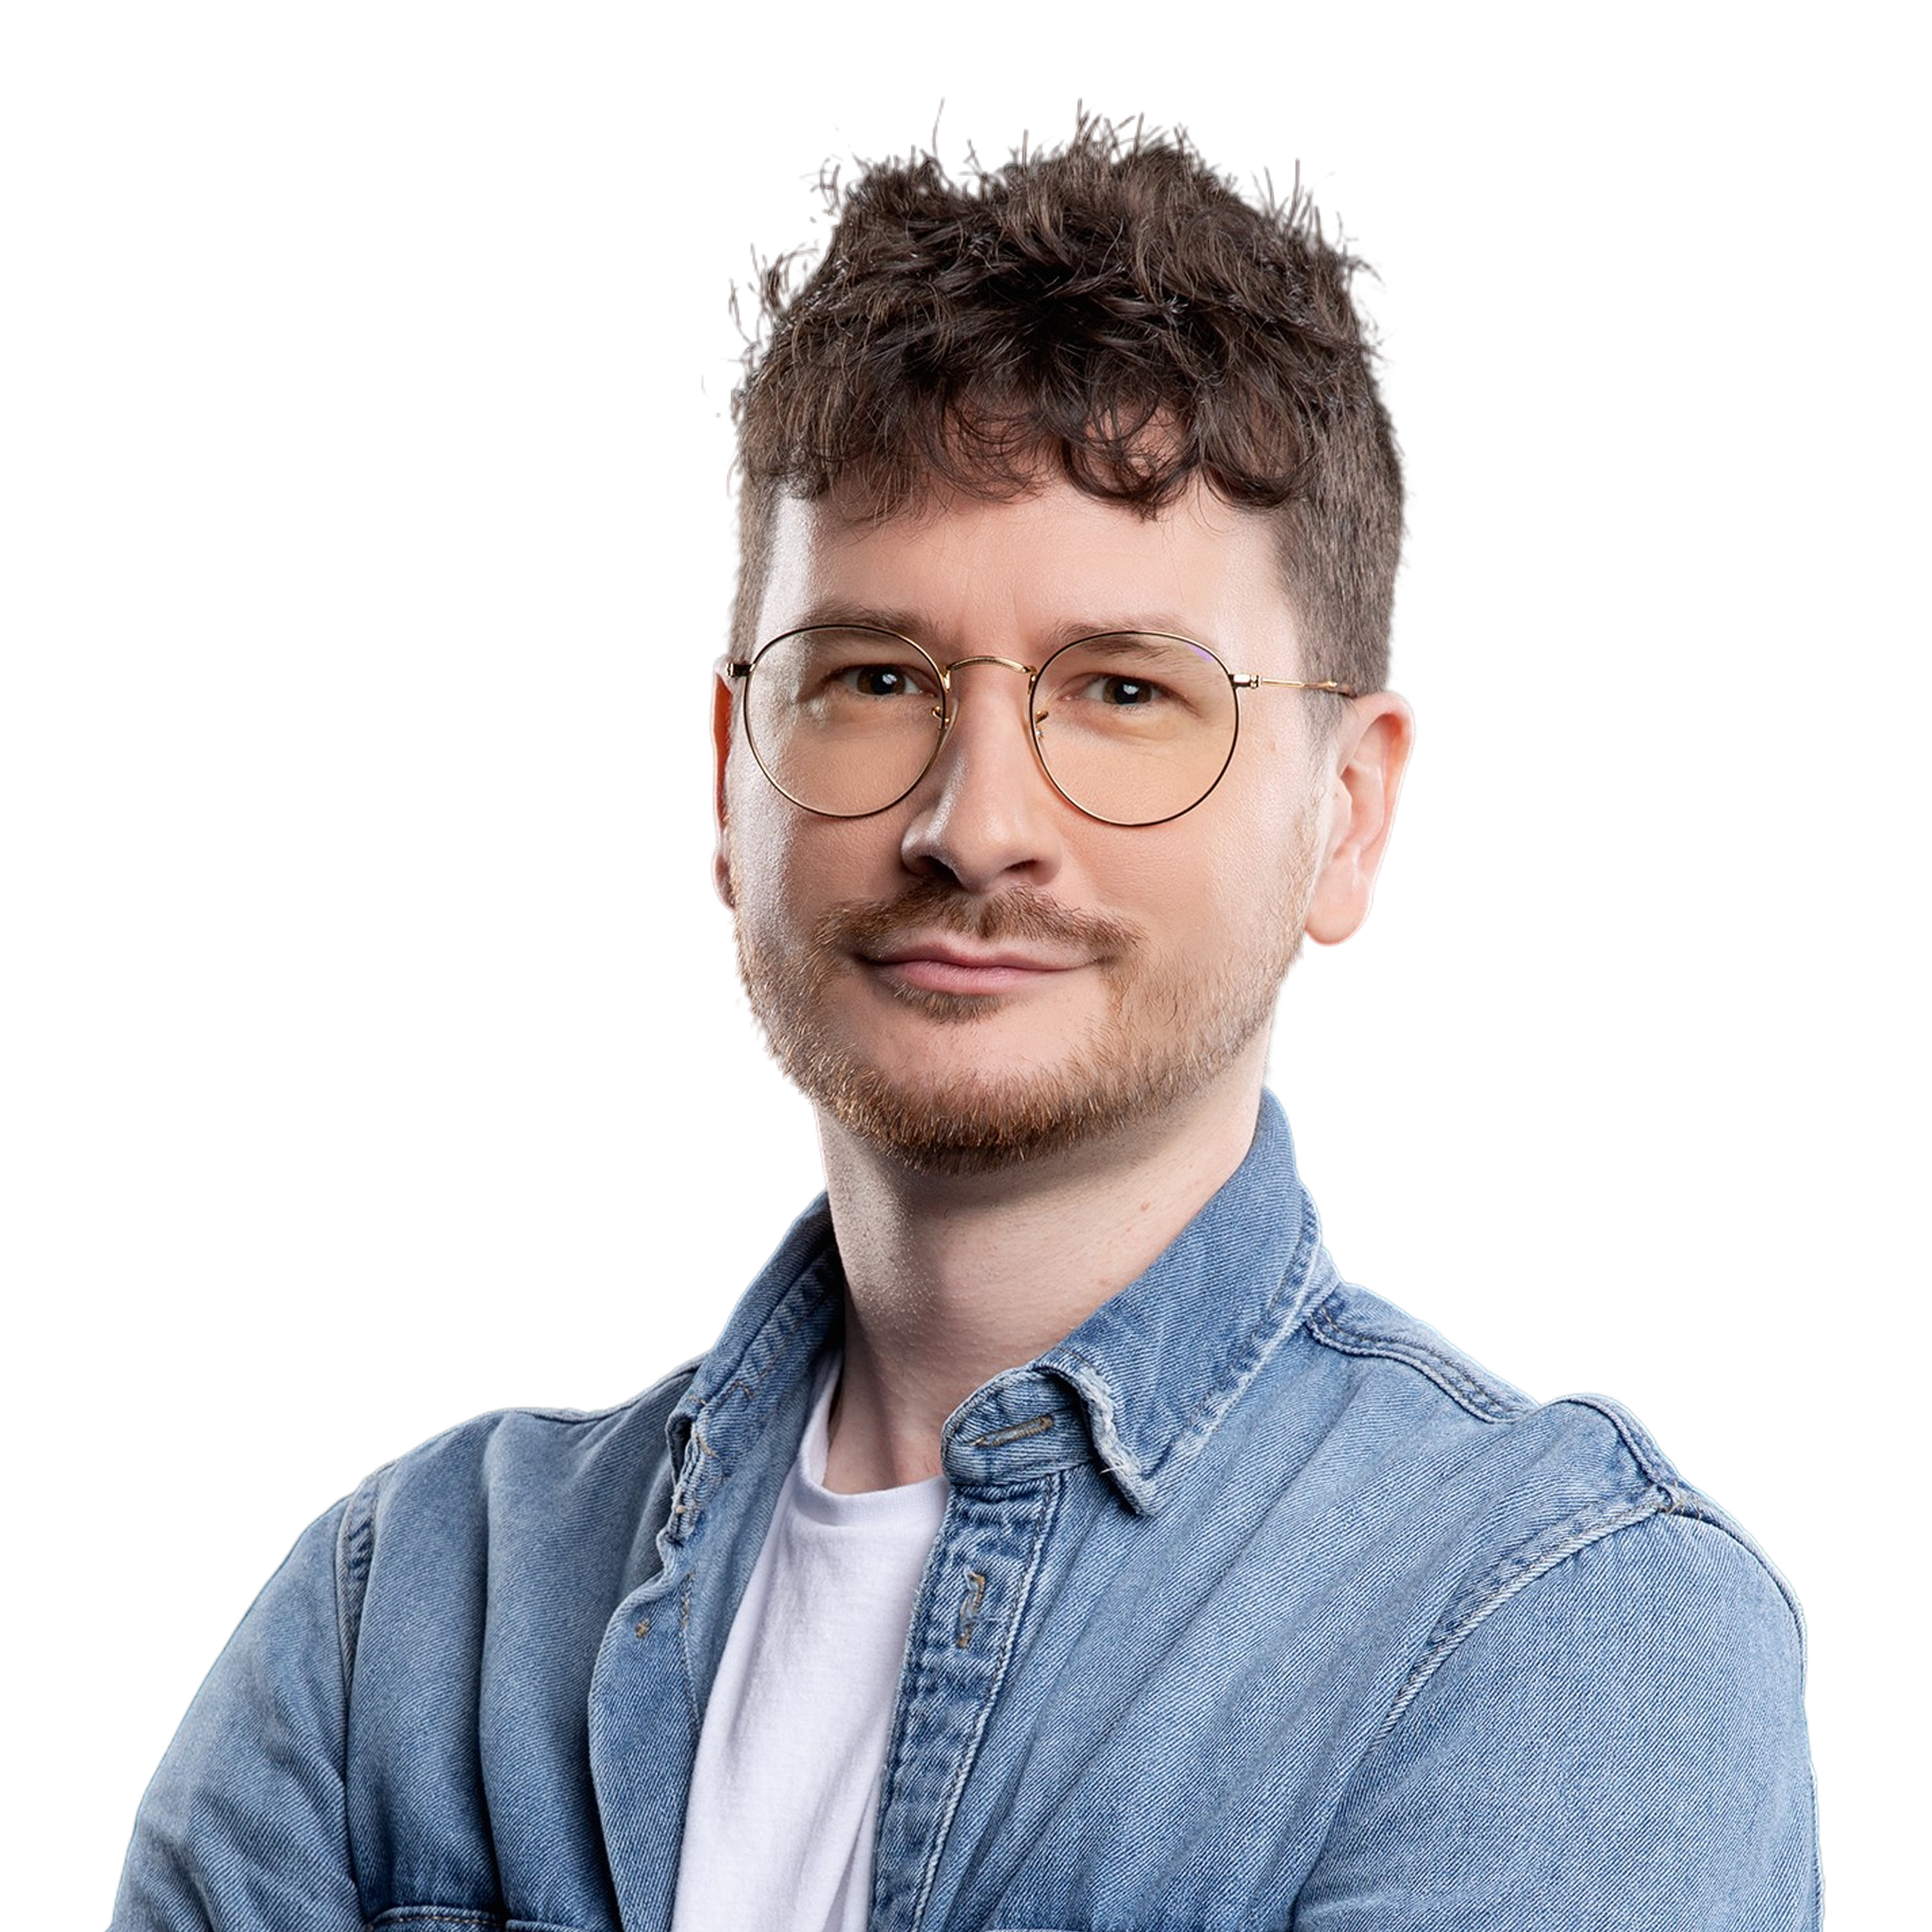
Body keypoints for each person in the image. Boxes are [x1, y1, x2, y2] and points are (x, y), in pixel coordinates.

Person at [110, 112, 1822, 1931]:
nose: (975, 821)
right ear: (726, 776)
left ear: (1349, 815)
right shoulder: (404, 1617)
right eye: (873, 678)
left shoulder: (1564, 1624)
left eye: (1126, 692)